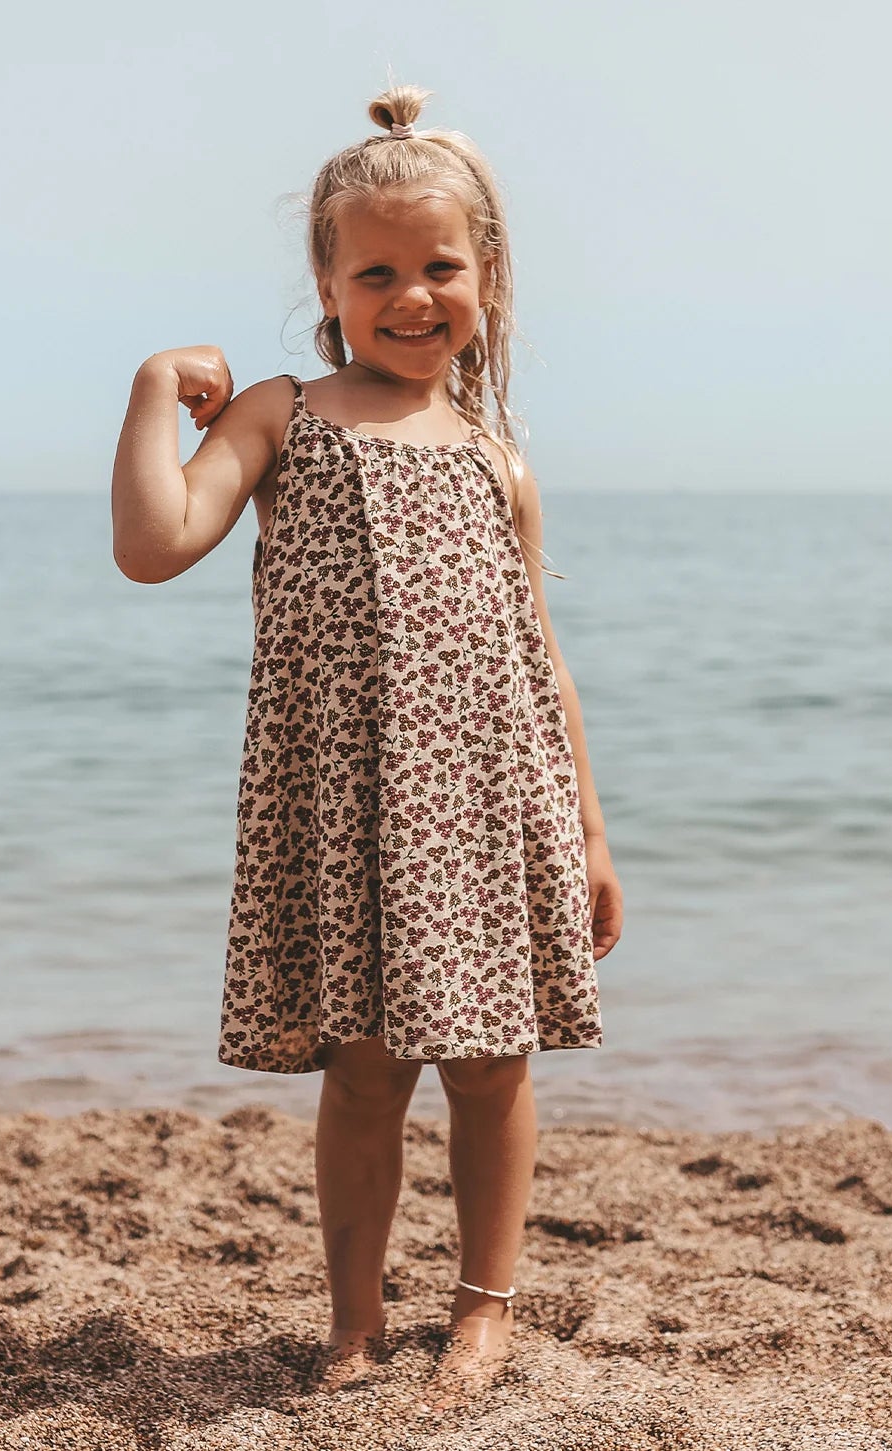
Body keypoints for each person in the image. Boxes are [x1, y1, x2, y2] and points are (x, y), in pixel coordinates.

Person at [111, 83, 623, 1417]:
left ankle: (484, 1311)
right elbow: (154, 546)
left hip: (493, 804)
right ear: (326, 282)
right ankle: (354, 1325)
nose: (412, 294)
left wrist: (593, 836)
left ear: (488, 281)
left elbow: (541, 660)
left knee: (495, 1065)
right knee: (365, 1071)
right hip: (349, 810)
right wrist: (155, 390)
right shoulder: (286, 417)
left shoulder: (496, 459)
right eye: (377, 270)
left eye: (440, 267)